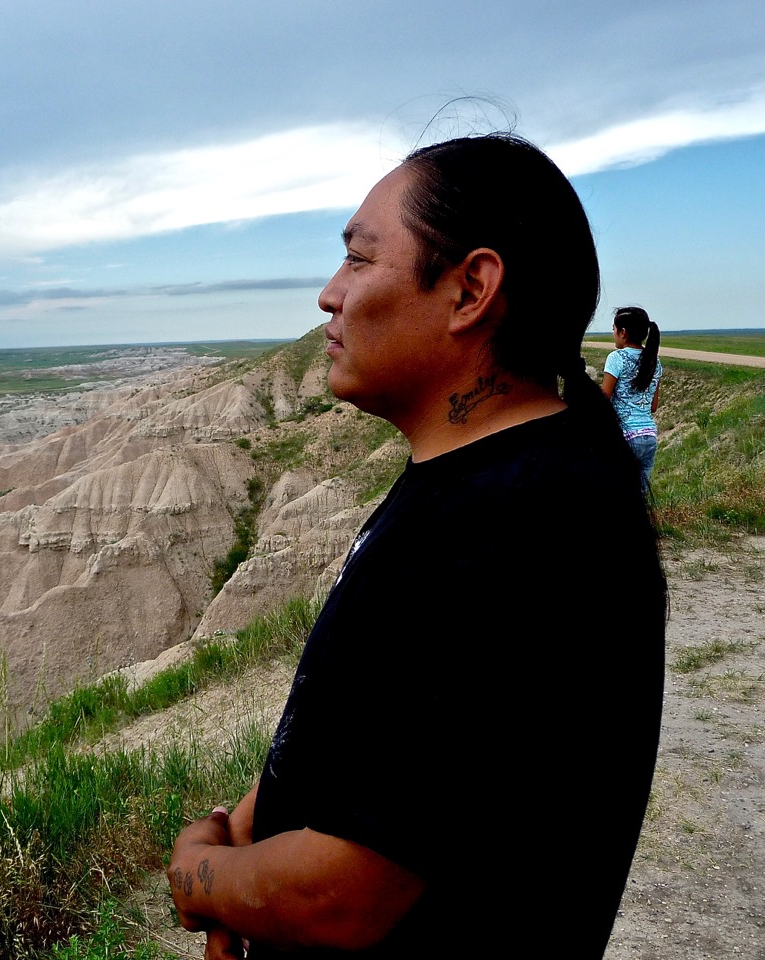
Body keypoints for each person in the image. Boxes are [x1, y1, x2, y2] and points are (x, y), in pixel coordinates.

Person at [168, 133, 667, 959]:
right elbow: (344, 736)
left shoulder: (522, 523)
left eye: (359, 260)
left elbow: (345, 893)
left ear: (472, 288)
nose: (329, 295)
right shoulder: (485, 480)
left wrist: (197, 875)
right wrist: (236, 836)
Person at [602, 306, 662, 483]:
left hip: (625, 435)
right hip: (649, 435)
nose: (613, 333)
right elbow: (653, 405)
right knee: (640, 496)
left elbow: (604, 397)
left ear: (623, 332)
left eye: (614, 329)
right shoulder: (654, 361)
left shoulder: (616, 358)